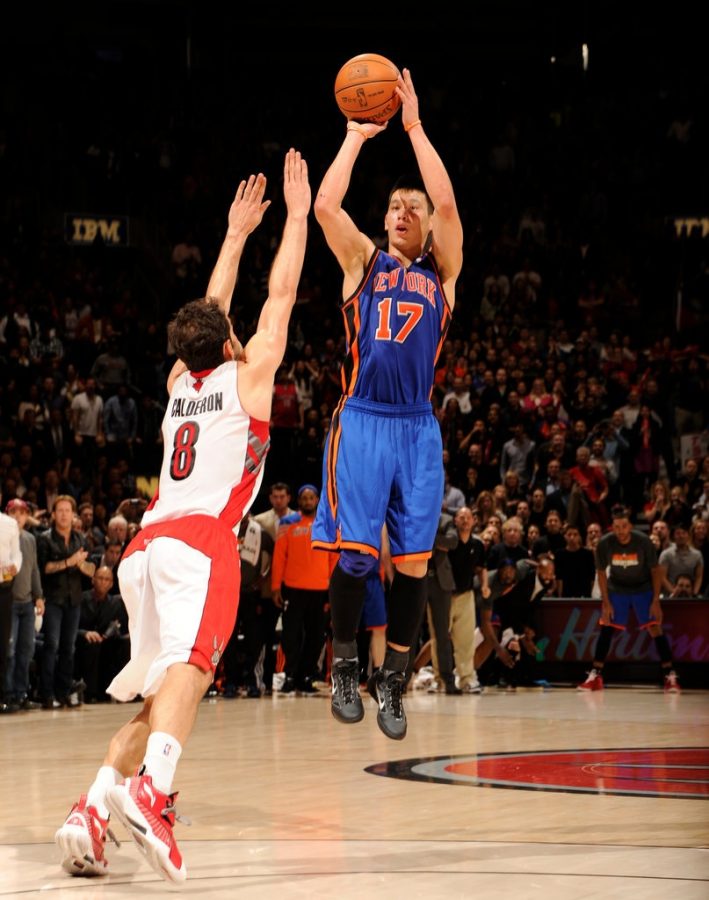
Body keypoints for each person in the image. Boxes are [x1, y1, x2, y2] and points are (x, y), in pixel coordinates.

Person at [55, 149, 310, 883]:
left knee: (162, 695)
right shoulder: (250, 370)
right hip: (201, 543)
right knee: (192, 677)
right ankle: (153, 794)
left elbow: (211, 309)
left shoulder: (177, 381)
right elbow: (283, 293)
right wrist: (292, 219)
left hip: (145, 547)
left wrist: (231, 239)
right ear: (229, 341)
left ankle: (92, 809)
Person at [311, 68, 463, 740]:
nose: (403, 211)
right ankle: (345, 665)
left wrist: (414, 127)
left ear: (426, 227)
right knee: (355, 558)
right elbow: (324, 206)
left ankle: (392, 683)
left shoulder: (442, 275)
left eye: (413, 207)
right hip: (365, 417)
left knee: (413, 565)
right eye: (394, 205)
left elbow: (450, 206)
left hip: (417, 429)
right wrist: (351, 137)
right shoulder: (363, 265)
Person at [578, 505, 680, 693]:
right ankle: (595, 676)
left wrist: (656, 600)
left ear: (630, 526)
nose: (620, 531)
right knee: (606, 626)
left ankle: (670, 675)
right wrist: (606, 603)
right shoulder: (604, 544)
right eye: (616, 527)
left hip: (643, 588)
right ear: (612, 527)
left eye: (624, 526)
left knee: (655, 627)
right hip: (617, 588)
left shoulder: (643, 542)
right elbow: (600, 573)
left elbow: (655, 571)